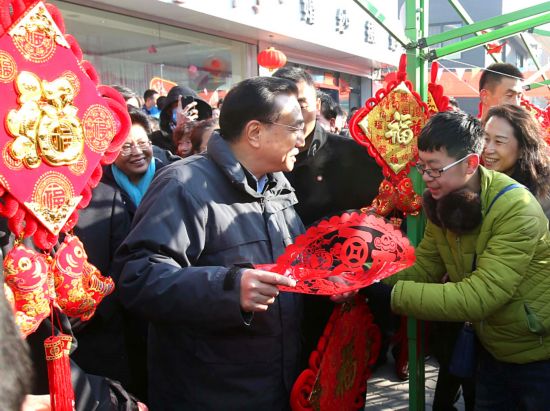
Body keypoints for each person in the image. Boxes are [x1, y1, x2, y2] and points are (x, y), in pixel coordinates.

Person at [114, 76, 307, 410]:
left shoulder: (277, 185)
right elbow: (138, 276)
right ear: (255, 133)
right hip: (213, 390)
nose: (302, 140)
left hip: (276, 382)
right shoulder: (184, 184)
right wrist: (229, 288)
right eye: (295, 128)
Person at [388, 110, 550, 410]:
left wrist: (391, 294)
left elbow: (480, 296)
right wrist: (365, 278)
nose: (425, 178)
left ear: (470, 163)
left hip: (537, 356)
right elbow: (424, 267)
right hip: (489, 350)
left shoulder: (516, 207)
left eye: (434, 169)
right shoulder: (442, 203)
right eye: (421, 166)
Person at [272, 66, 390, 374]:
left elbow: (378, 219)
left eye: (302, 101)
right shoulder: (261, 158)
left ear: (318, 102)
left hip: (337, 293)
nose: (295, 111)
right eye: (284, 103)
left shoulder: (352, 155)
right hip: (275, 295)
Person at [71, 106, 178, 402]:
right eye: (126, 146)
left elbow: (122, 264)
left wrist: (94, 307)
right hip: (67, 330)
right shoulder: (103, 186)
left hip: (121, 311)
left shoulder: (171, 179)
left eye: (142, 143)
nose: (136, 151)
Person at [151, 86, 212, 152]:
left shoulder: (207, 134)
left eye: (188, 107)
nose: (183, 112)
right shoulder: (157, 139)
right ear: (169, 112)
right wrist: (180, 131)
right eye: (177, 107)